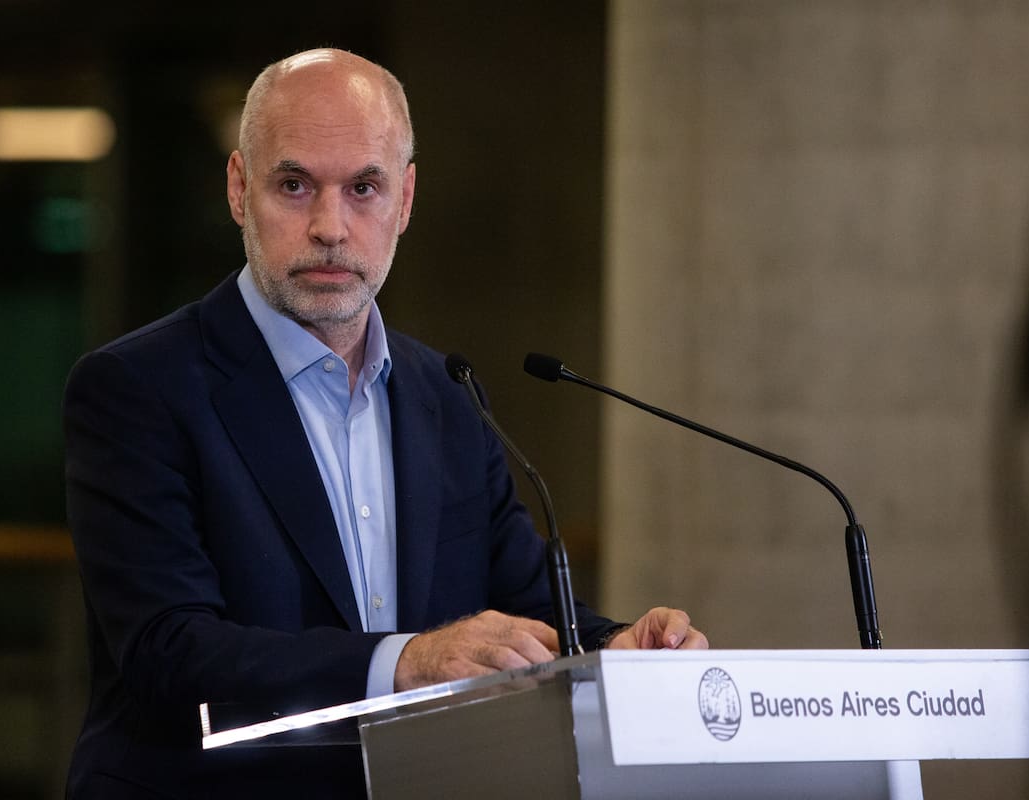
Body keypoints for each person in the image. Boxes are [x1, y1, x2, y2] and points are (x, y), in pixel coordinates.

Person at [63, 47, 707, 799]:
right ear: (240, 190)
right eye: (295, 185)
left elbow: (527, 606)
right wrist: (403, 664)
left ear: (403, 200)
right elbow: (168, 654)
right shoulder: (137, 389)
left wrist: (613, 648)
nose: (331, 227)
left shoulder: (446, 394)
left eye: (363, 188)